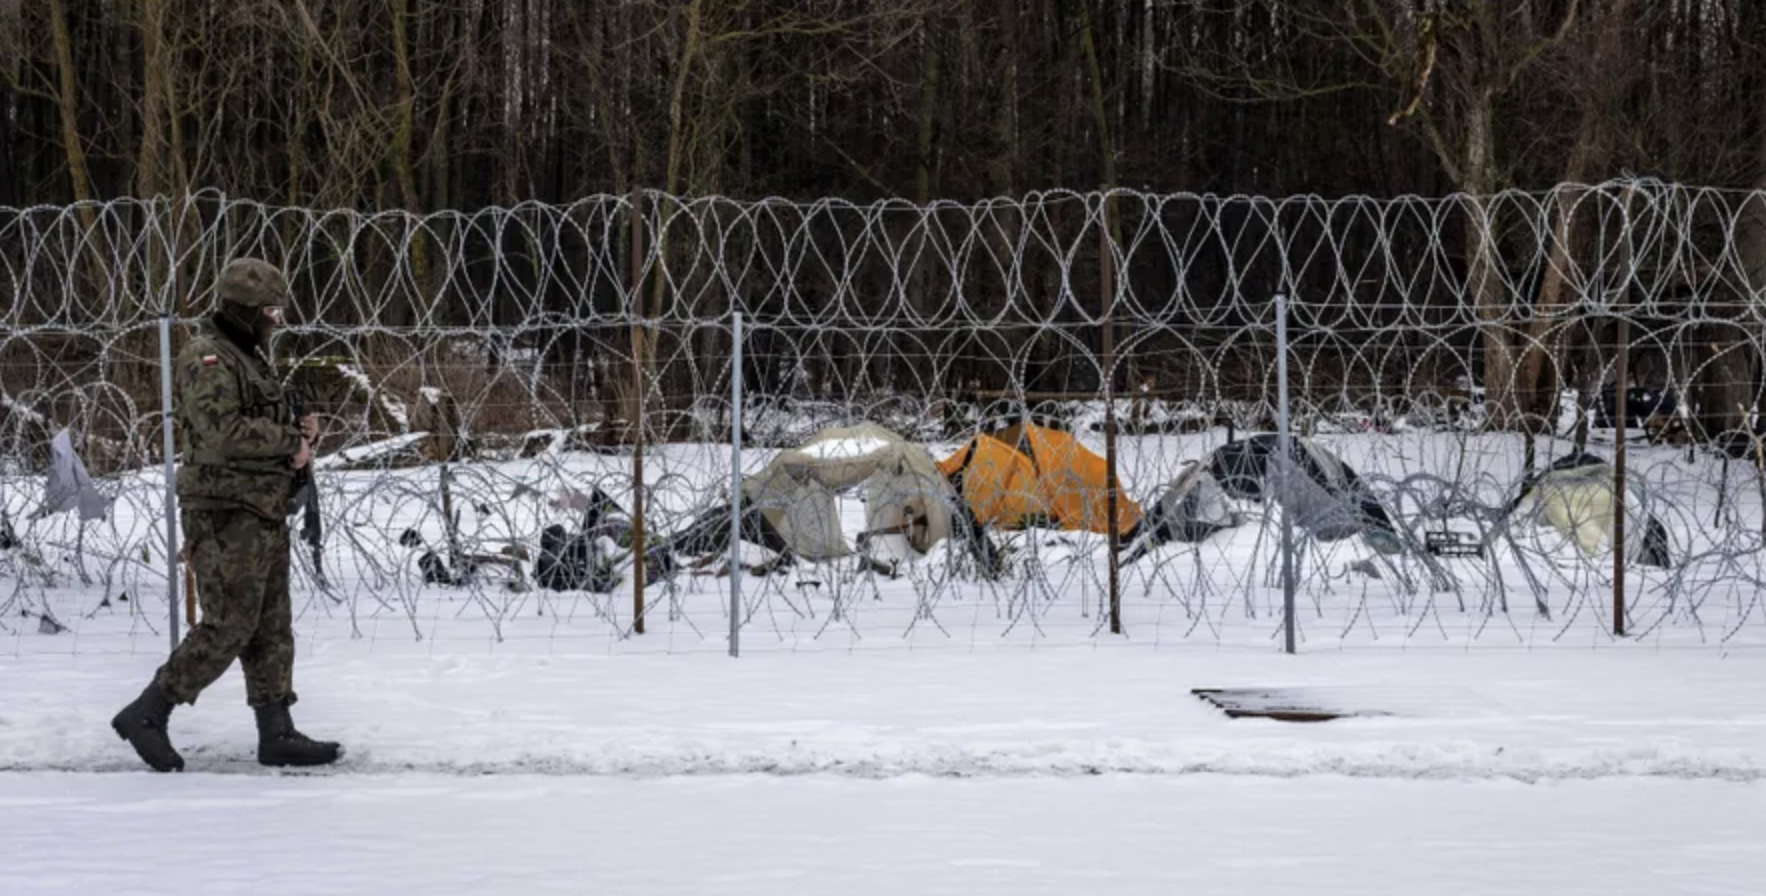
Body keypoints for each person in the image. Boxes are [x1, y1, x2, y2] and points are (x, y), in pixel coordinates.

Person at [110, 258, 342, 772]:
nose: (276, 321)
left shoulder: (248, 356)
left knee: (271, 625)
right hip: (224, 511)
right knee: (230, 623)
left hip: (261, 506)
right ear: (243, 311)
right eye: (269, 311)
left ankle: (276, 730)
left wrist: (300, 431)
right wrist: (290, 442)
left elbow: (257, 420)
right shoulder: (208, 358)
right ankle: (148, 712)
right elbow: (221, 431)